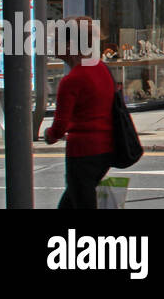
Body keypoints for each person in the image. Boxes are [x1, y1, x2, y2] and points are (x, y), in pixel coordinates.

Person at [44, 19, 116, 209]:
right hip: (105, 150)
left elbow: (60, 126)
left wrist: (49, 135)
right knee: (70, 204)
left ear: (69, 46)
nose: (52, 45)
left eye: (56, 40)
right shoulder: (102, 69)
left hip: (82, 152)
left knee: (80, 203)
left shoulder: (71, 81)